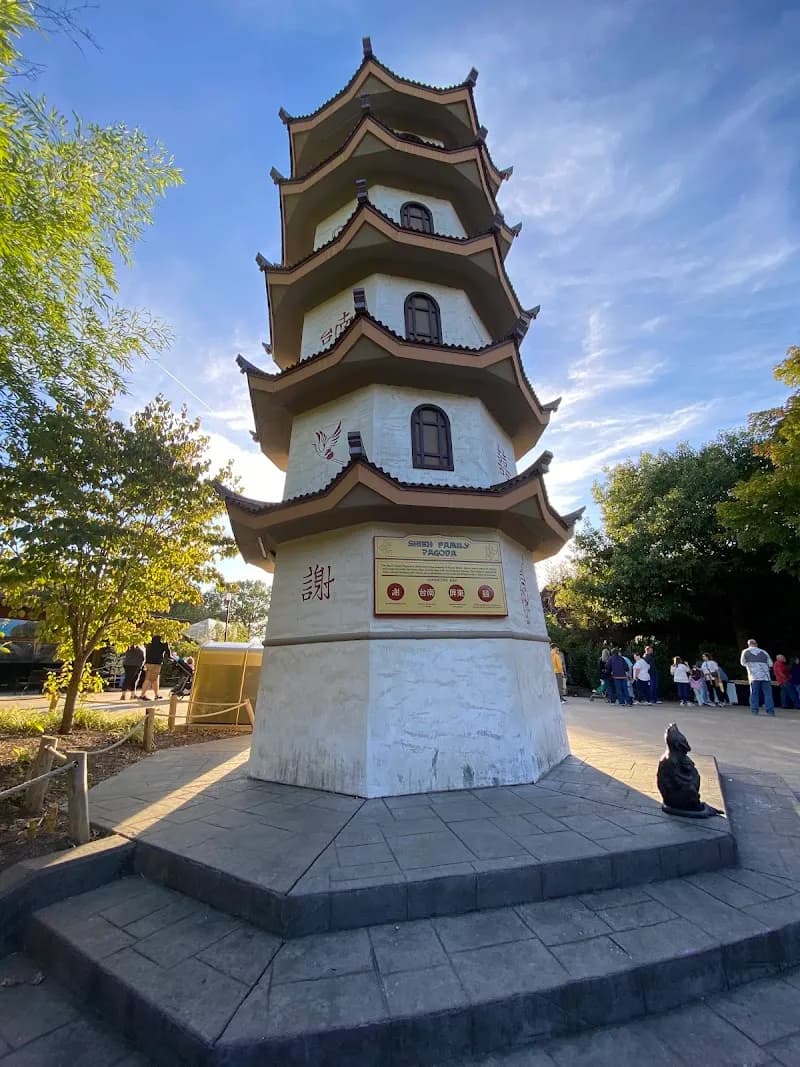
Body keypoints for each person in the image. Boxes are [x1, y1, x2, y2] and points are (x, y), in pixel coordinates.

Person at [739, 638, 775, 716]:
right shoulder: (763, 652)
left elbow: (742, 663)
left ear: (748, 644)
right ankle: (770, 711)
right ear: (756, 644)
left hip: (754, 676)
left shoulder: (745, 651)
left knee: (754, 694)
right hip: (765, 676)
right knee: (768, 694)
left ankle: (755, 710)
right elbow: (771, 664)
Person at [138, 634, 171, 702]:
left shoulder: (149, 638)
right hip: (156, 663)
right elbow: (168, 652)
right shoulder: (163, 640)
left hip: (148, 661)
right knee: (149, 679)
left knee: (155, 679)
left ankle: (156, 694)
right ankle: (142, 695)